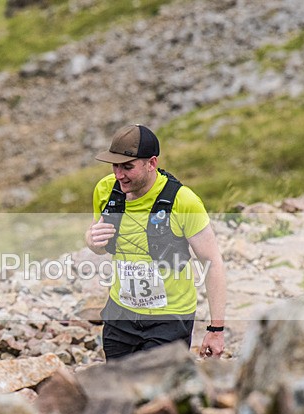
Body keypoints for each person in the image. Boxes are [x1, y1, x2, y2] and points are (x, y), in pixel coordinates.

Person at [84, 124, 226, 360]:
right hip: (120, 315)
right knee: (118, 391)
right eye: (115, 166)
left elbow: (213, 262)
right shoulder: (105, 190)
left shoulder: (184, 201)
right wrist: (91, 240)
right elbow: (96, 243)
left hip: (169, 319)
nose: (119, 175)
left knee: (157, 394)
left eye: (127, 167)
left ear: (151, 163)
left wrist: (216, 329)